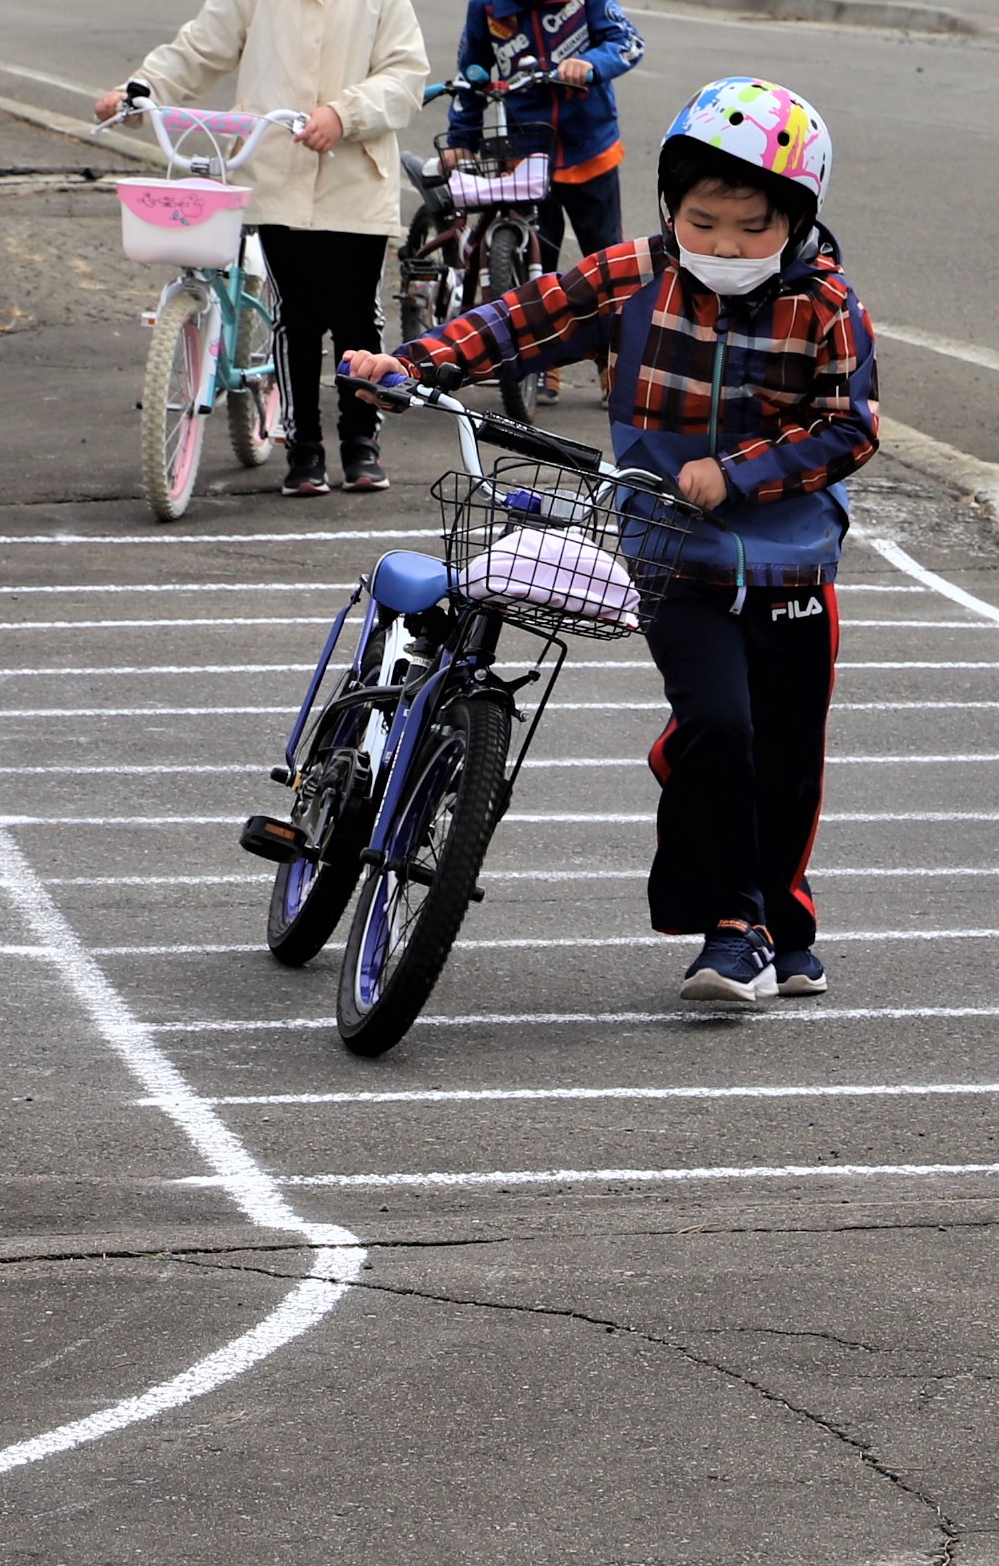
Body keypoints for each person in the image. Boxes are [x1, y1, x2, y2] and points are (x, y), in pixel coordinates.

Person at [350, 77, 875, 1004]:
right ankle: (731, 925)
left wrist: (741, 470)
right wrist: (413, 364)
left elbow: (849, 427)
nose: (725, 245)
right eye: (704, 220)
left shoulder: (827, 306)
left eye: (754, 227)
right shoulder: (634, 278)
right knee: (721, 725)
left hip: (795, 564)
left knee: (786, 759)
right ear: (673, 206)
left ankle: (786, 919)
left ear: (797, 220)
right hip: (675, 553)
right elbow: (523, 320)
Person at [98, 0, 429, 496]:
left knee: (357, 319)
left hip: (356, 185)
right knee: (298, 319)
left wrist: (347, 112)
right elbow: (199, 50)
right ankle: (304, 450)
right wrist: (141, 89)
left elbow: (406, 77)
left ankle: (360, 443)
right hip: (277, 181)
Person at [446, 0, 642, 271]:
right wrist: (461, 138)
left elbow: (627, 44)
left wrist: (589, 64)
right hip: (525, 155)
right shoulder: (485, 4)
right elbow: (471, 76)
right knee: (534, 268)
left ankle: (613, 333)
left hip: (592, 147)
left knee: (607, 264)